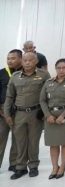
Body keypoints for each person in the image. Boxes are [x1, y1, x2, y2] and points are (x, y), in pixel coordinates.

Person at [3, 51, 50, 179]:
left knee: (34, 141)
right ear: (22, 62)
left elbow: (48, 94)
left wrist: (46, 113)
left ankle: (33, 166)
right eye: (25, 60)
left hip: (36, 114)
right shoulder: (15, 76)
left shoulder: (44, 75)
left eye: (30, 60)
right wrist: (7, 114)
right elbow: (9, 96)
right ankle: (20, 167)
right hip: (19, 114)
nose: (27, 63)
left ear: (36, 61)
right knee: (20, 142)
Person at [40, 58, 65, 179]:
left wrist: (63, 116)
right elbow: (42, 100)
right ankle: (54, 167)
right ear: (55, 69)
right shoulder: (48, 82)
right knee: (53, 143)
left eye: (64, 68)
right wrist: (48, 115)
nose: (61, 70)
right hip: (50, 115)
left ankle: (63, 166)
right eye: (59, 68)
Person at [0, 49, 22, 173]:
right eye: (8, 58)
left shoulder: (24, 73)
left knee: (17, 138)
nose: (10, 61)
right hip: (3, 111)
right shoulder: (2, 73)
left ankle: (14, 163)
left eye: (13, 58)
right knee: (1, 136)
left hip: (19, 110)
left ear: (20, 59)